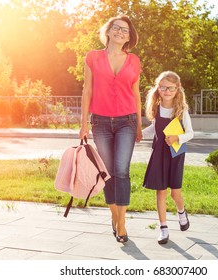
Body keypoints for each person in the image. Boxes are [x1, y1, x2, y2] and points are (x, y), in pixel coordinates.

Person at [79, 15, 142, 243]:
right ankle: (114, 217)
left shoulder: (134, 60)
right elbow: (87, 91)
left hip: (127, 121)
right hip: (101, 122)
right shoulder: (93, 57)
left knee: (121, 171)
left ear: (129, 37)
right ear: (108, 31)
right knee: (108, 173)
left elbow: (135, 93)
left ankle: (122, 223)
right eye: (116, 28)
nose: (120, 32)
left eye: (125, 30)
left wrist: (139, 122)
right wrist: (84, 124)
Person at [142, 71, 194, 244]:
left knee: (175, 193)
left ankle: (181, 212)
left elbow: (190, 133)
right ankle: (163, 228)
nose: (166, 91)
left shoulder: (181, 110)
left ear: (177, 89)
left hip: (176, 153)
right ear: (158, 88)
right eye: (163, 87)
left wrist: (177, 138)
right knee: (161, 191)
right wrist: (139, 135)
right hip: (159, 153)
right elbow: (154, 129)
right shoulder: (156, 108)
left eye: (170, 87)